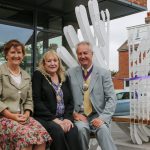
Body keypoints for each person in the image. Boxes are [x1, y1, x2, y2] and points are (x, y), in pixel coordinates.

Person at [0, 39, 51, 150]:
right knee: (27, 138)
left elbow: (29, 100)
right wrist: (12, 116)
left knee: (42, 136)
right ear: (6, 55)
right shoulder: (1, 72)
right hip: (4, 117)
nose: (16, 55)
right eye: (12, 52)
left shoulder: (26, 75)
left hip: (23, 117)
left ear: (23, 55)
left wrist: (27, 114)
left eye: (19, 52)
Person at [67, 41, 117, 150]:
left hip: (98, 116)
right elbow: (65, 99)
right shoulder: (70, 73)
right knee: (80, 130)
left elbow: (111, 98)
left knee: (103, 129)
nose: (82, 56)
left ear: (92, 54)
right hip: (80, 117)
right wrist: (74, 114)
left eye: (85, 53)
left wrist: (103, 118)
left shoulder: (104, 73)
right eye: (79, 54)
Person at [32, 50, 82, 150]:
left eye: (55, 60)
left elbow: (70, 102)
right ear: (43, 63)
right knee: (57, 130)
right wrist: (55, 120)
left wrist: (67, 119)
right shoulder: (38, 75)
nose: (53, 63)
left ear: (59, 62)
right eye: (49, 61)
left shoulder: (64, 76)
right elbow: (36, 101)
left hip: (63, 118)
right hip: (45, 118)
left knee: (72, 130)